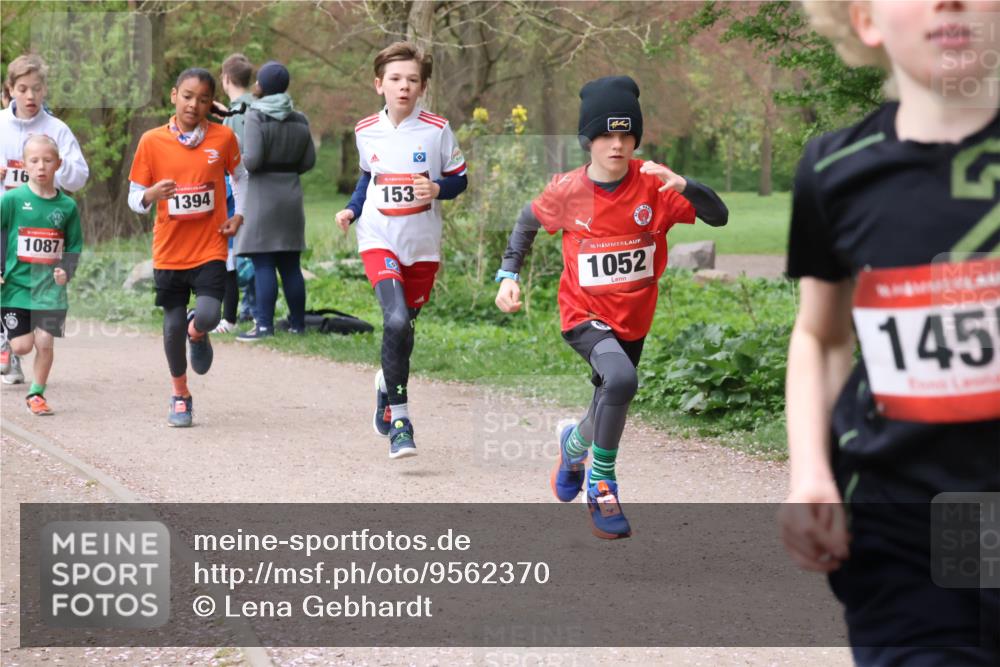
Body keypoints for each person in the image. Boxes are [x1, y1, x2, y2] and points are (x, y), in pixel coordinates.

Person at [779, 1, 1000, 664]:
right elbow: (821, 336)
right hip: (907, 532)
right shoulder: (835, 172)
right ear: (865, 20)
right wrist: (810, 473)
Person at [494, 75, 728, 539]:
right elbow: (526, 221)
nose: (616, 145)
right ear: (588, 140)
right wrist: (508, 275)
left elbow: (718, 216)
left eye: (626, 134)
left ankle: (572, 447)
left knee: (607, 398)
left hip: (634, 319)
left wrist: (684, 184)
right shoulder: (567, 190)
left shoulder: (655, 185)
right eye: (605, 135)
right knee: (620, 380)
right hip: (583, 315)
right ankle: (602, 484)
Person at [334, 41, 468, 459]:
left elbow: (460, 179)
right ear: (380, 84)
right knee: (393, 320)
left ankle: (385, 384)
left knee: (403, 331)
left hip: (422, 247)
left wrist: (438, 188)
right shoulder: (365, 130)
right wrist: (352, 210)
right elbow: (367, 178)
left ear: (423, 87)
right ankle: (401, 422)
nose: (403, 86)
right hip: (378, 238)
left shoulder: (437, 129)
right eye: (395, 79)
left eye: (412, 80)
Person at [127, 68, 247, 427]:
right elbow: (134, 198)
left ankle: (199, 332)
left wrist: (239, 215)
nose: (194, 104)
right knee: (171, 326)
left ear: (212, 104)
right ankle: (180, 394)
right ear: (174, 95)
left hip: (211, 245)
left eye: (203, 99)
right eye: (188, 96)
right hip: (169, 250)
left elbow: (241, 178)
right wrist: (151, 194)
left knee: (209, 315)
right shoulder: (151, 141)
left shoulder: (223, 138)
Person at [0, 54, 89, 386]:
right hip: (6, 221)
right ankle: (7, 338)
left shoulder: (56, 129)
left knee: (34, 301)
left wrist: (50, 168)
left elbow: (79, 175)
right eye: (23, 89)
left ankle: (12, 344)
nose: (30, 96)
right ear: (10, 90)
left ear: (45, 89)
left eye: (37, 89)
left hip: (40, 226)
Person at [0, 135, 83, 415]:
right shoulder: (12, 199)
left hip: (50, 288)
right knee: (22, 346)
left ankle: (36, 394)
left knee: (45, 342)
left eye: (47, 160)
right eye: (34, 160)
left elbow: (74, 244)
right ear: (24, 165)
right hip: (16, 285)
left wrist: (66, 270)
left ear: (58, 164)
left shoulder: (67, 206)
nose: (41, 166)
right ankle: (5, 339)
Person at [234, 60, 315, 341]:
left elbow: (253, 161)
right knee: (290, 265)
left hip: (262, 196)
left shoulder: (256, 116)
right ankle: (298, 325)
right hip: (291, 196)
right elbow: (309, 161)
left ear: (263, 86)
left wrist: (239, 153)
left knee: (264, 262)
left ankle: (264, 326)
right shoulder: (300, 118)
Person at [213, 53, 257, 333]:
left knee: (236, 254)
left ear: (226, 79)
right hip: (259, 189)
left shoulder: (236, 114)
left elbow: (234, 158)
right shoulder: (257, 106)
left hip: (239, 189)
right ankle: (251, 308)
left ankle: (244, 310)